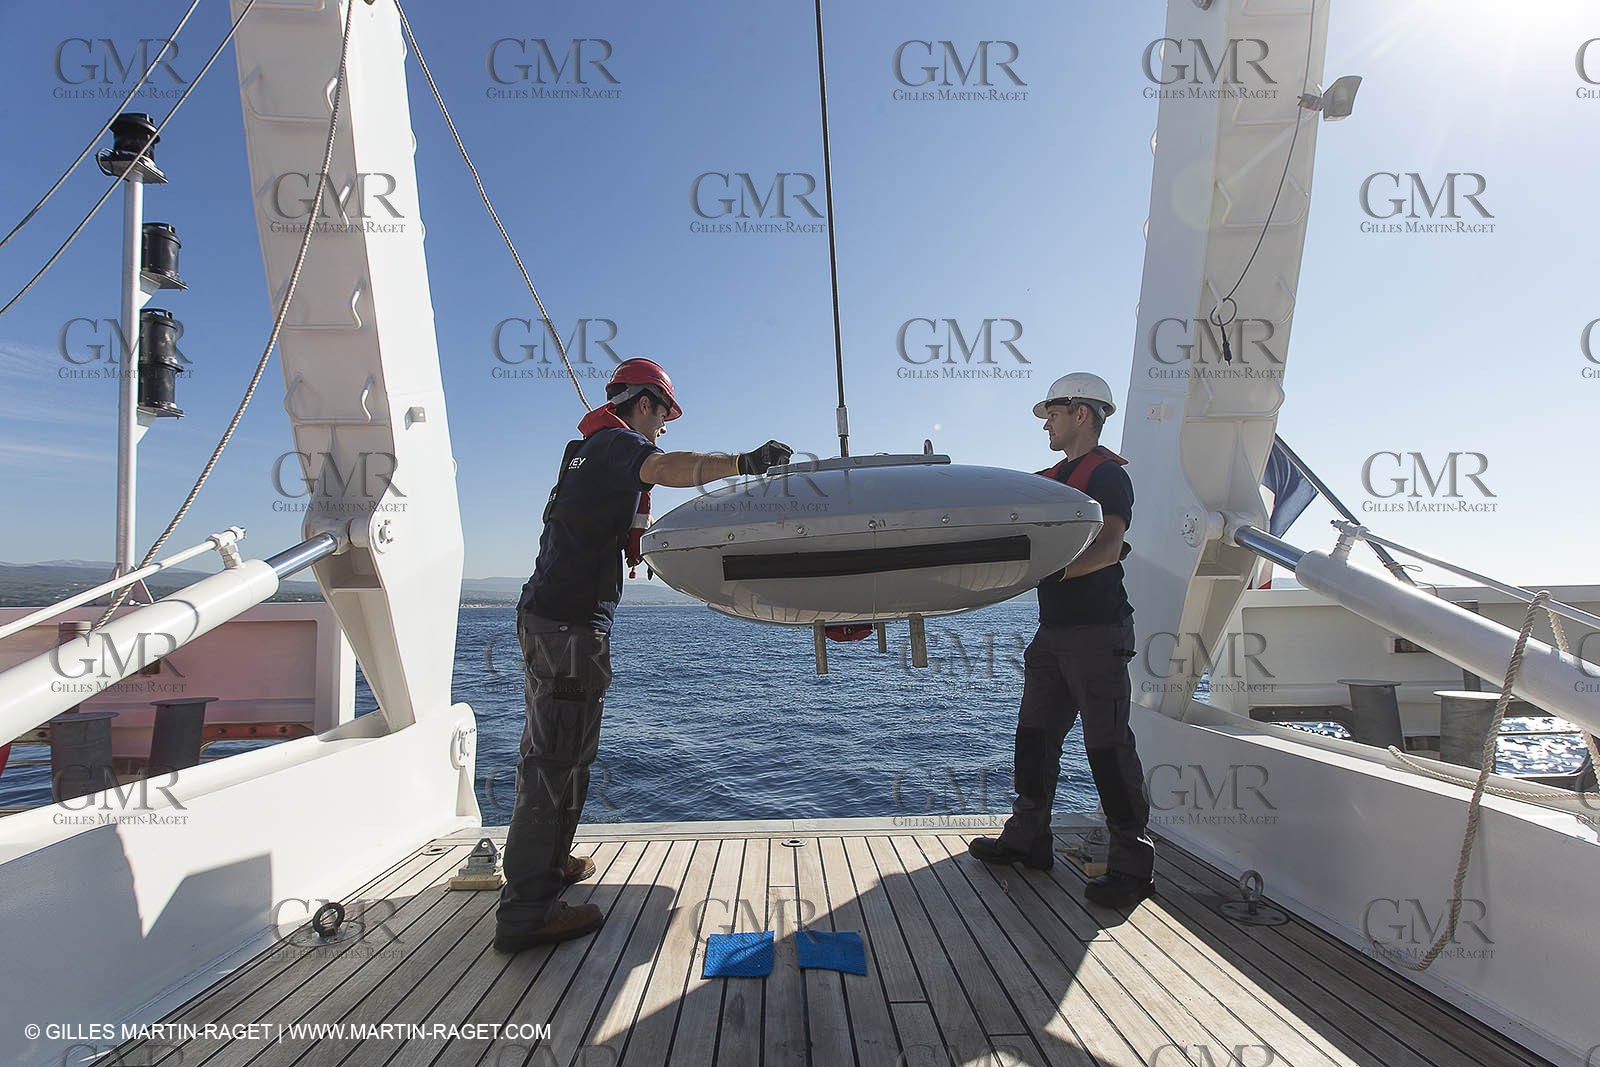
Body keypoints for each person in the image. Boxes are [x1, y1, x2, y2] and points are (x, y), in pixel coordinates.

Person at [495, 358, 793, 952]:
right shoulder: (615, 445)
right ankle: (527, 911)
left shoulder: (581, 453)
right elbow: (664, 467)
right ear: (645, 404)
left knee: (558, 753)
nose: (663, 428)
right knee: (557, 762)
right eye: (664, 415)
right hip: (570, 626)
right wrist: (742, 463)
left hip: (550, 619)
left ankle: (544, 866)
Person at [968, 372, 1156, 909]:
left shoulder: (1107, 476)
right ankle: (1029, 838)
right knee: (1034, 738)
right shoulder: (1051, 477)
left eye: (1052, 412)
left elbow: (1109, 547)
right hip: (1054, 633)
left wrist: (1042, 576)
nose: (1046, 422)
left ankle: (1132, 865)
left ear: (1083, 414)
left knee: (1107, 748)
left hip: (1097, 632)